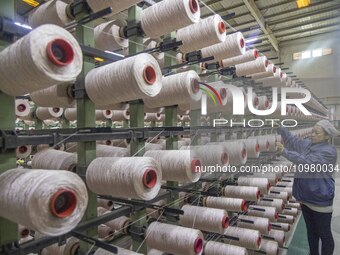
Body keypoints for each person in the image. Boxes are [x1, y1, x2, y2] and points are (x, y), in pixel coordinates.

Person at [276, 120, 339, 255]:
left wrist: (284, 152)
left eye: (317, 133)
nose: (312, 135)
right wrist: (280, 128)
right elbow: (293, 141)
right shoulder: (308, 144)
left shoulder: (330, 151)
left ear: (327, 136)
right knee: (311, 231)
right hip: (306, 198)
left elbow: (308, 162)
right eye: (312, 131)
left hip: (320, 200)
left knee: (324, 234)